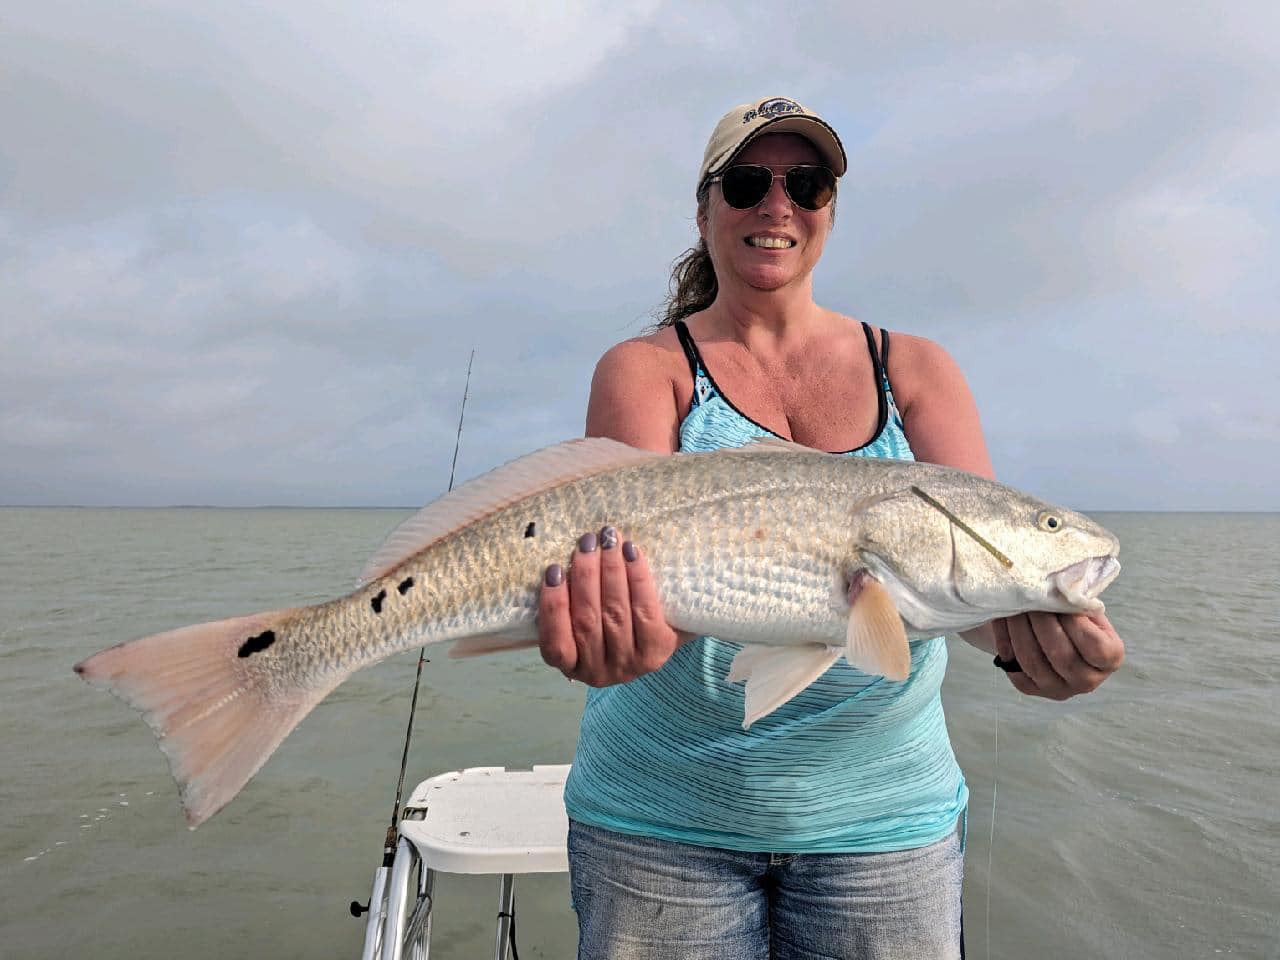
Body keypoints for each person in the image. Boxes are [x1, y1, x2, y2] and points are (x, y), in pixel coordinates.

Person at [536, 96, 1125, 960]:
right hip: (662, 825)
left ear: (829, 212)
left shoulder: (917, 369)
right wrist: (609, 640)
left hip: (885, 832)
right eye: (747, 183)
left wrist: (1030, 647)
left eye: (805, 184)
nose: (777, 206)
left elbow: (960, 582)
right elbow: (628, 595)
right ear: (704, 212)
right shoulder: (647, 369)